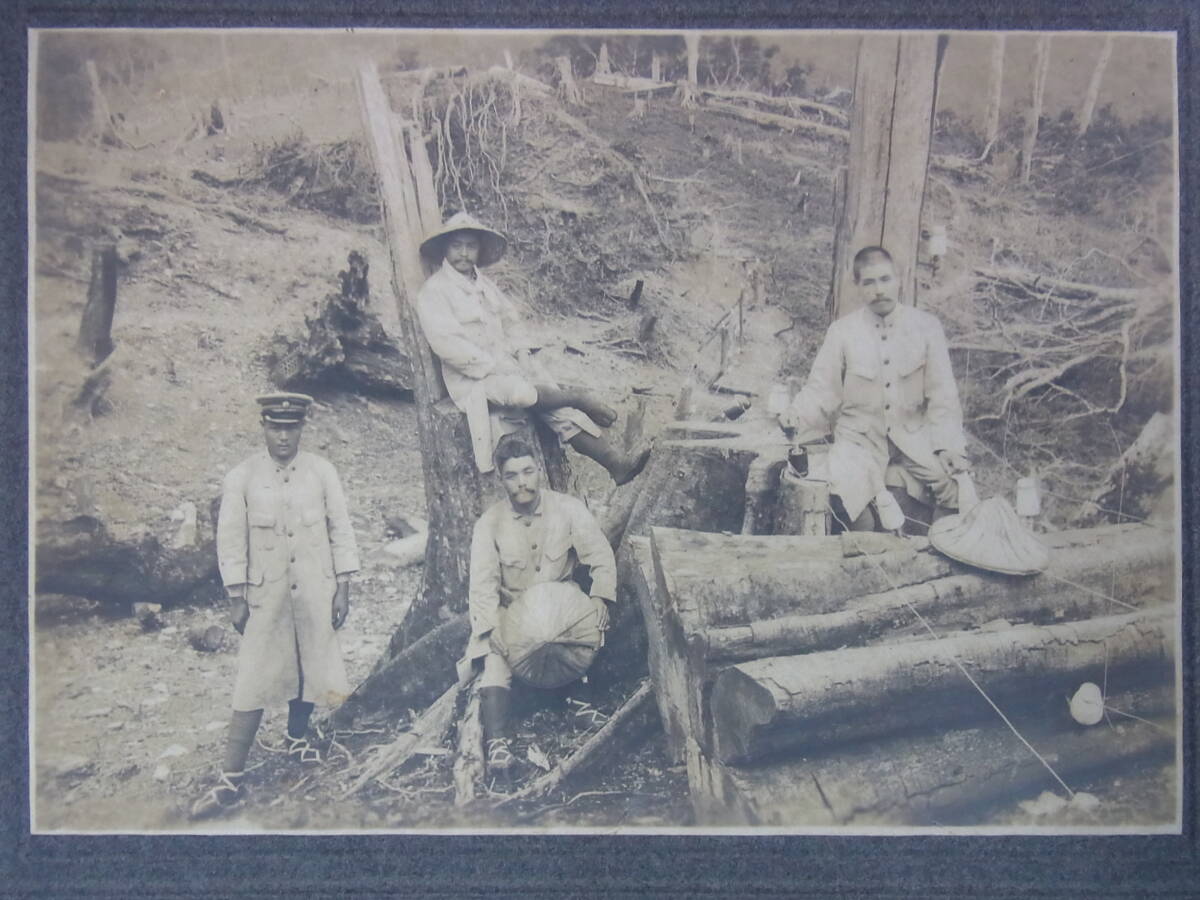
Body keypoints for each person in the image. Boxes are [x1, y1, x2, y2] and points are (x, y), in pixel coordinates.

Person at [190, 392, 360, 819]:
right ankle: (230, 777)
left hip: (315, 588)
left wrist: (344, 586)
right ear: (264, 427)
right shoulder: (242, 477)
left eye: (291, 427)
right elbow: (230, 540)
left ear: (302, 428)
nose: (283, 436)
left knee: (309, 664)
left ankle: (297, 737)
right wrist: (236, 595)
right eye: (276, 427)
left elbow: (340, 528)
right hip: (266, 592)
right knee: (254, 676)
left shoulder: (322, 472)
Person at [415, 211, 649, 484]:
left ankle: (614, 463)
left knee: (559, 410)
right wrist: (494, 366)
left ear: (479, 250)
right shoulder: (435, 291)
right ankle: (578, 397)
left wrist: (522, 353)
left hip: (508, 365)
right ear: (445, 248)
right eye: (457, 245)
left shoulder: (485, 286)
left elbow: (511, 322)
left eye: (471, 246)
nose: (464, 253)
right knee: (523, 395)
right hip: (473, 378)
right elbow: (447, 344)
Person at [782, 246, 969, 532]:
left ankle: (939, 558)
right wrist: (795, 417)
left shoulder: (926, 327)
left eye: (885, 279)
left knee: (959, 488)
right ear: (858, 286)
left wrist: (949, 446)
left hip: (914, 439)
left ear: (899, 279)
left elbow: (942, 396)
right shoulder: (843, 333)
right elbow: (822, 390)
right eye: (869, 282)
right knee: (852, 501)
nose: (879, 289)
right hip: (859, 440)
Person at [462, 434, 617, 773]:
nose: (522, 482)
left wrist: (601, 596)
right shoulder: (489, 524)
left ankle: (580, 703)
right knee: (491, 659)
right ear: (502, 479)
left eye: (528, 472)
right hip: (512, 613)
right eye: (512, 475)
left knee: (579, 632)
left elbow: (600, 556)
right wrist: (491, 628)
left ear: (539, 471)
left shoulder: (568, 509)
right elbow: (483, 586)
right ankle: (497, 742)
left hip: (563, 609)